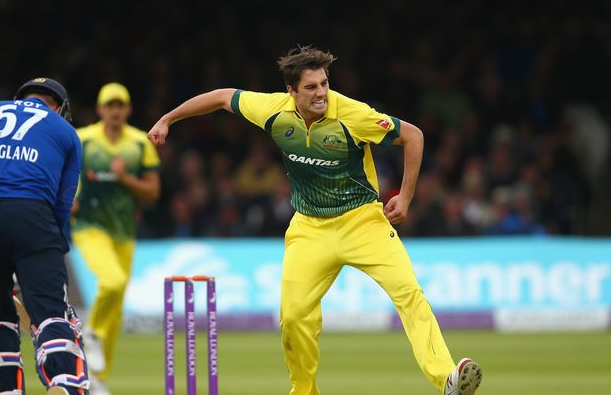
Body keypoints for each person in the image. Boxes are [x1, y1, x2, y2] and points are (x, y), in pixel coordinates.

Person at [147, 46, 483, 395]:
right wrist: (168, 118)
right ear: (291, 91)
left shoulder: (352, 114)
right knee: (293, 318)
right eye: (311, 87)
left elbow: (413, 135)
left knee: (409, 294)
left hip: (363, 222)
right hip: (309, 227)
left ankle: (446, 379)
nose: (321, 93)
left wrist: (407, 196)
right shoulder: (273, 110)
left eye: (324, 84)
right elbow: (220, 97)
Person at [0, 77, 89, 395]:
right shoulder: (66, 132)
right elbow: (62, 208)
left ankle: (5, 390)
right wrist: (51, 255)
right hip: (34, 217)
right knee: (53, 316)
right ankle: (64, 381)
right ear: (60, 108)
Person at [71, 82, 161, 394]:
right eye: (109, 105)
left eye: (120, 105)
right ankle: (90, 333)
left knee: (117, 304)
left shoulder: (138, 143)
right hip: (88, 226)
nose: (115, 111)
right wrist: (67, 197)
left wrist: (126, 179)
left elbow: (153, 191)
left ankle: (95, 379)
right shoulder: (82, 139)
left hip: (124, 232)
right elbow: (62, 173)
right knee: (111, 282)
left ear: (128, 109)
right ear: (99, 110)